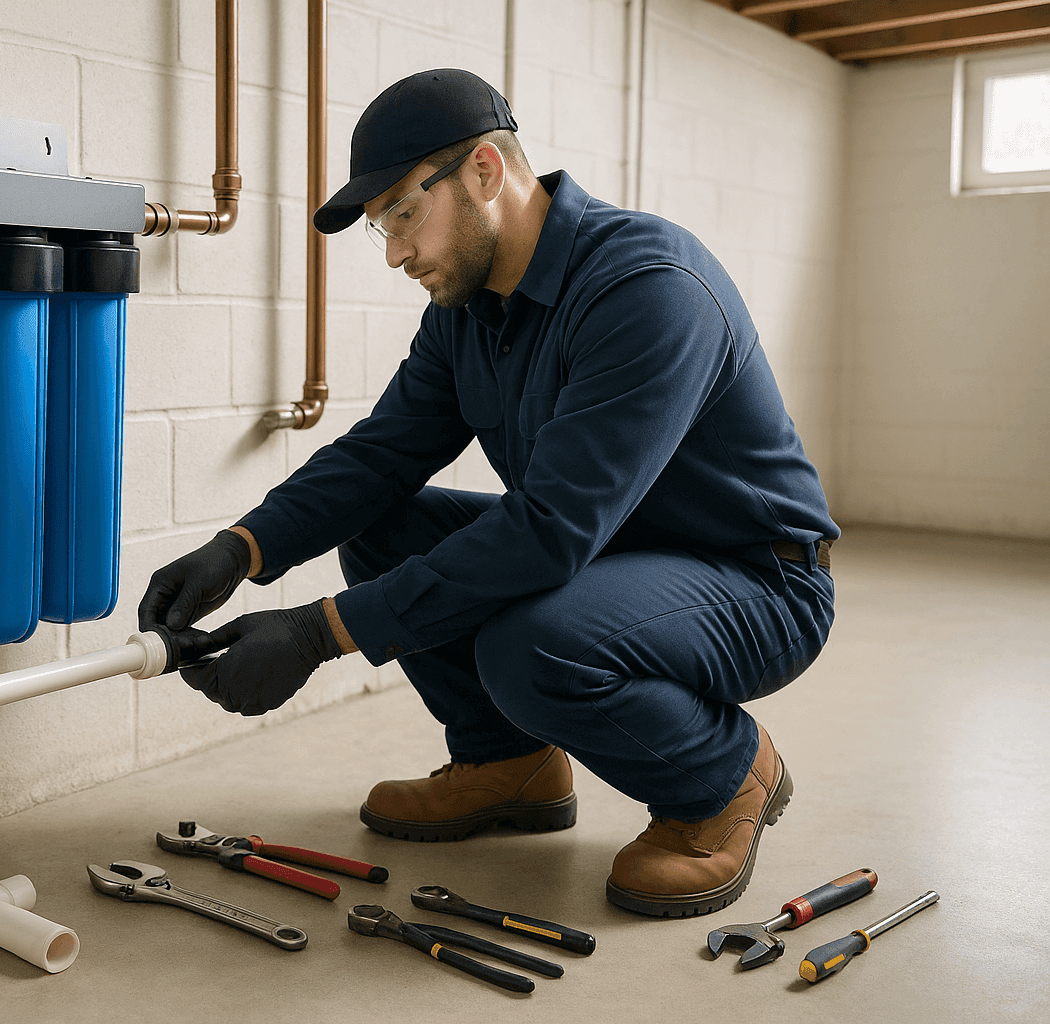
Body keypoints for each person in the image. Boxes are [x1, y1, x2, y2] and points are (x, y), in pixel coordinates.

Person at [138, 68, 838, 917]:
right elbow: (380, 458)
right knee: (383, 527)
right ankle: (509, 763)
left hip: (755, 581)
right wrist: (241, 550)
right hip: (617, 555)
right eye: (380, 229)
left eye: (401, 213)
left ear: (483, 172)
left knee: (533, 643)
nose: (394, 252)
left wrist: (317, 635)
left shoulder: (647, 289)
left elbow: (549, 532)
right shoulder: (468, 309)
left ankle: (725, 777)